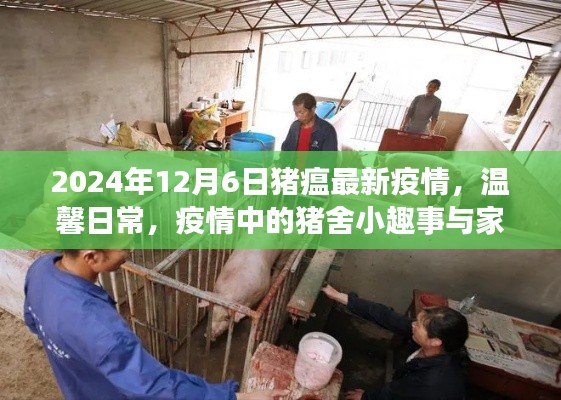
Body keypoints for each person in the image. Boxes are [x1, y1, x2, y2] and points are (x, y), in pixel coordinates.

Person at [24, 247, 289, 399]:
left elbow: (33, 322)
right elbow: (155, 388)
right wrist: (235, 397)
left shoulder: (41, 269)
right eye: (122, 246)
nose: (128, 252)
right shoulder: (105, 333)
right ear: (92, 256)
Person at [321, 284, 469, 400]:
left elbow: (392, 394)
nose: (412, 324)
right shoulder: (442, 345)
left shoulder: (429, 383)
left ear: (435, 341)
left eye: (418, 324)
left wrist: (366, 397)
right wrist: (339, 296)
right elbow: (386, 316)